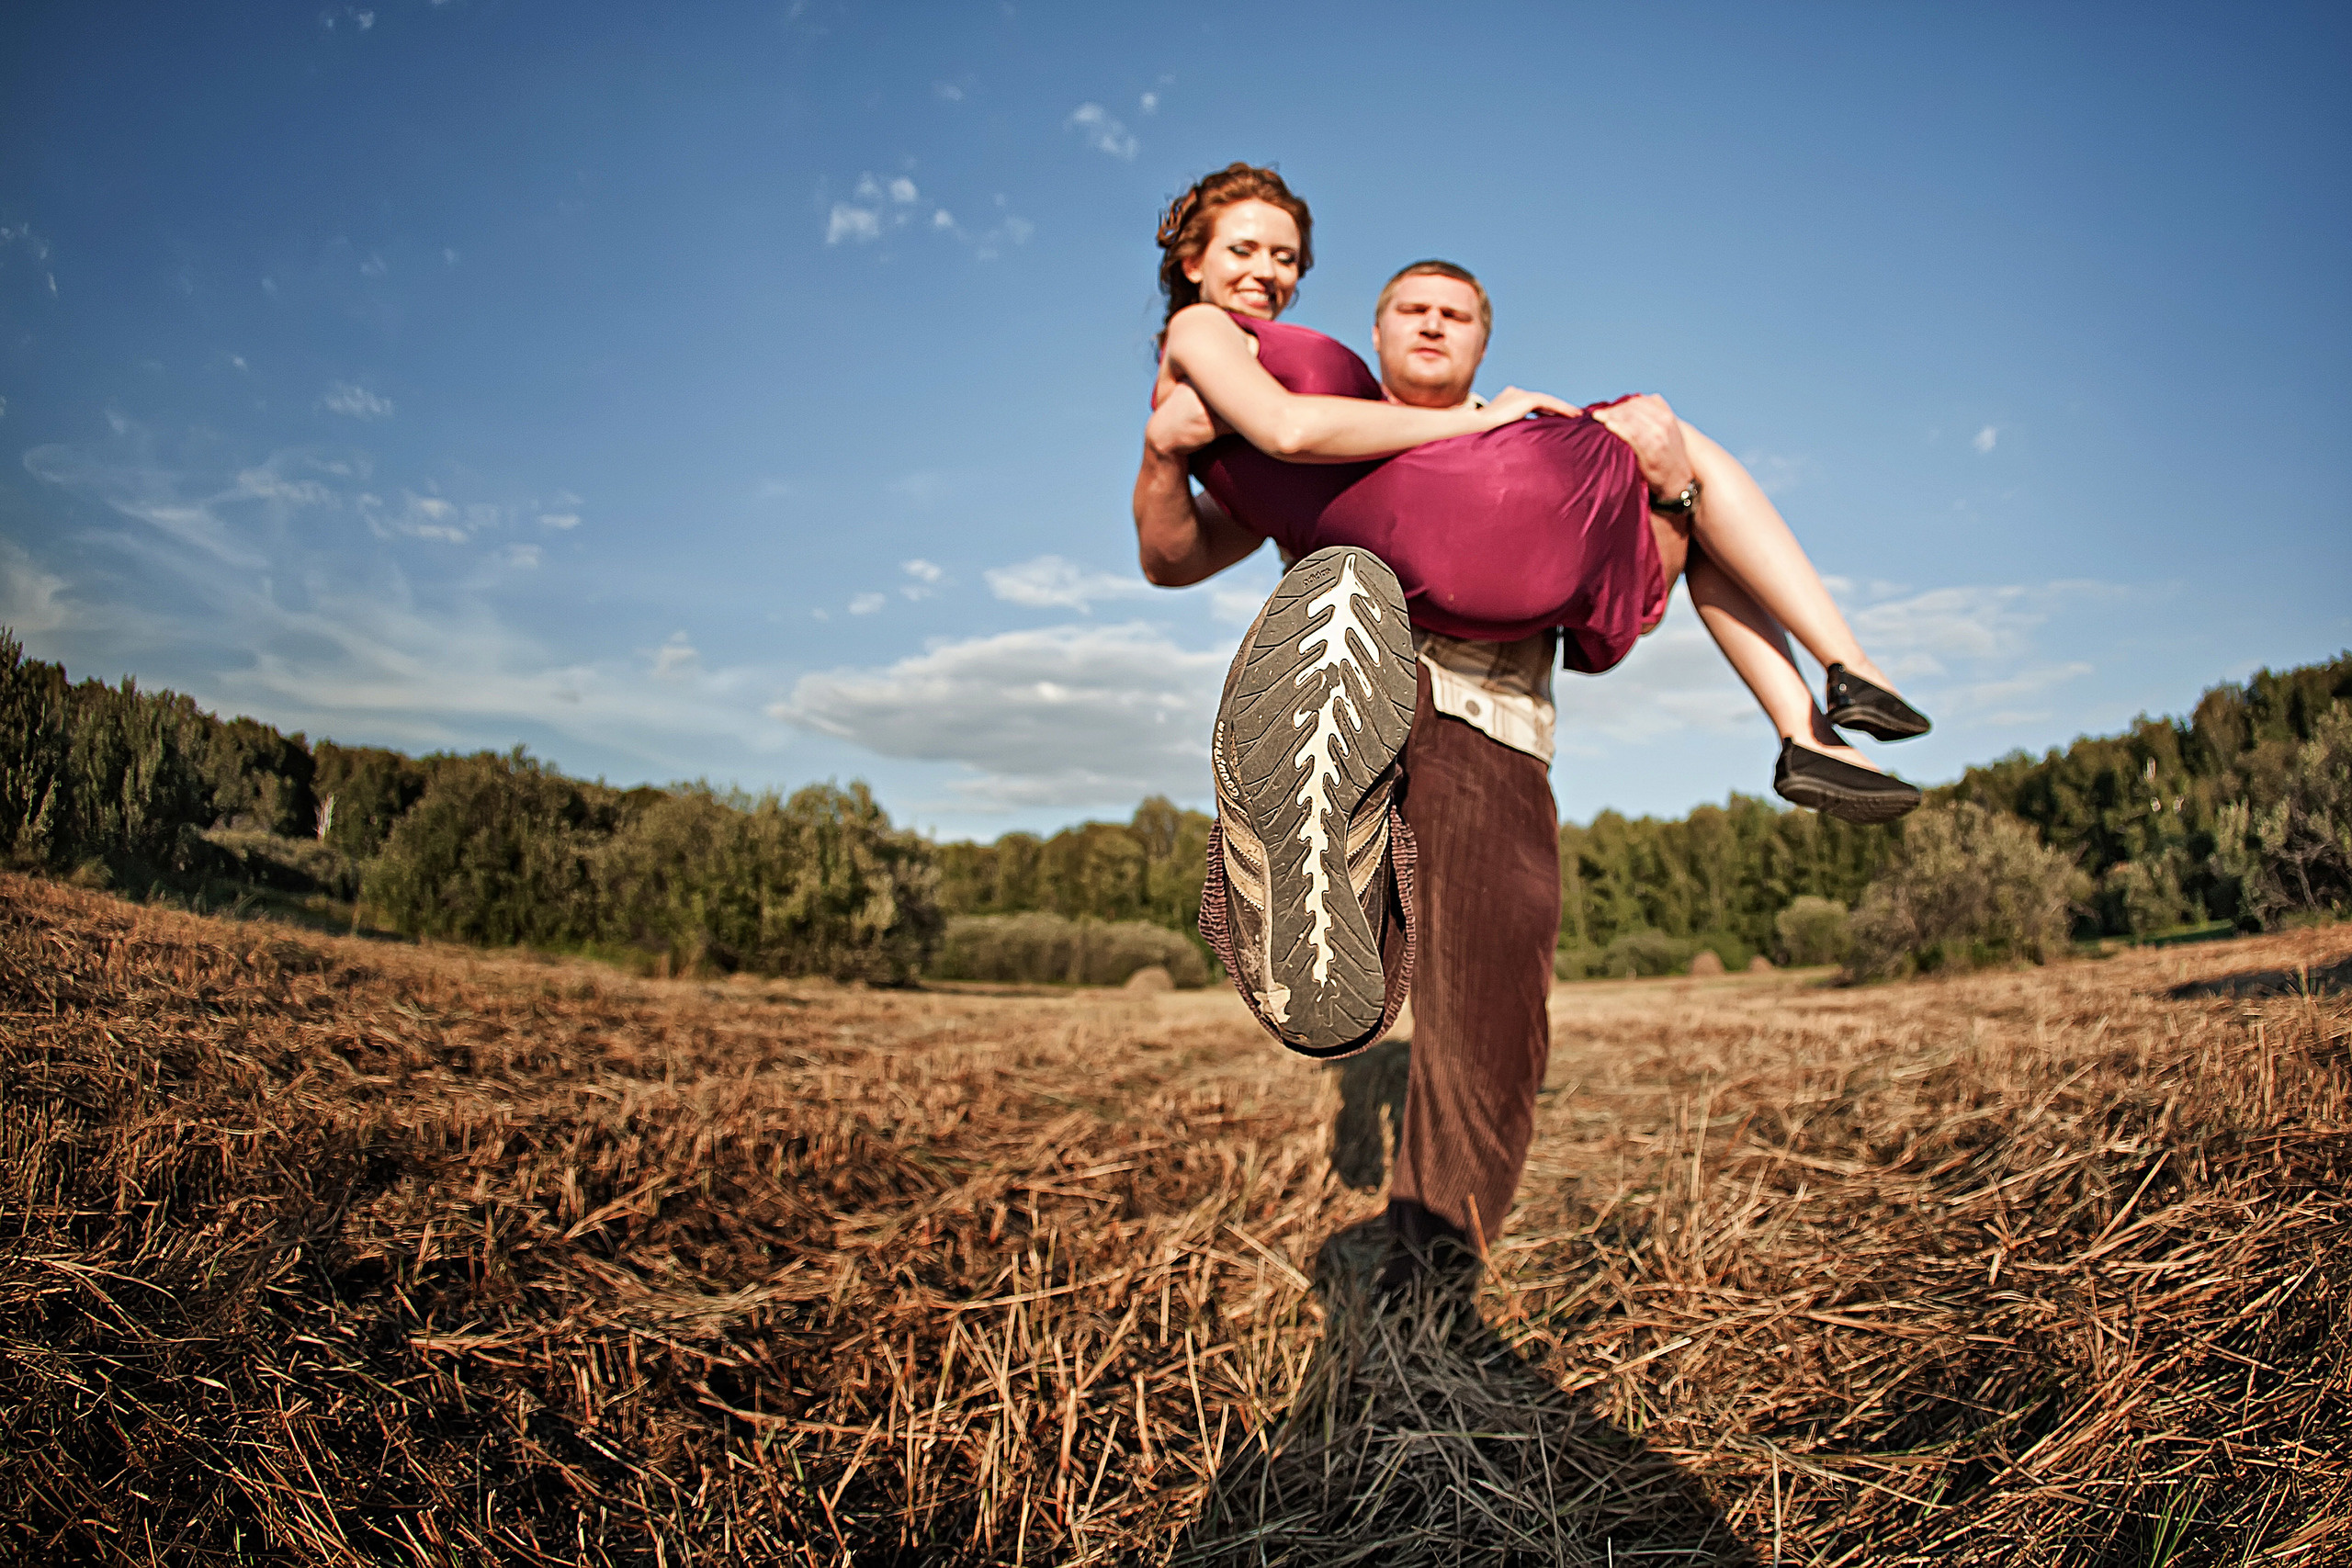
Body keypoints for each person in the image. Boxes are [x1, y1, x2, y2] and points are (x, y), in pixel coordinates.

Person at [1130, 164, 1927, 1290]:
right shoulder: (1286, 387)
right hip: (1378, 678)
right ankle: (1836, 680)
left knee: (1491, 1006)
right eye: (1413, 307)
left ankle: (1809, 728)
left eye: (1283, 258)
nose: (1265, 272)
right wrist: (1163, 453)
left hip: (1496, 714)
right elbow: (1187, 543)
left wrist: (1652, 487)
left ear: (1478, 344)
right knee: (1656, 441)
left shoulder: (1502, 449)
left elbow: (1270, 475)